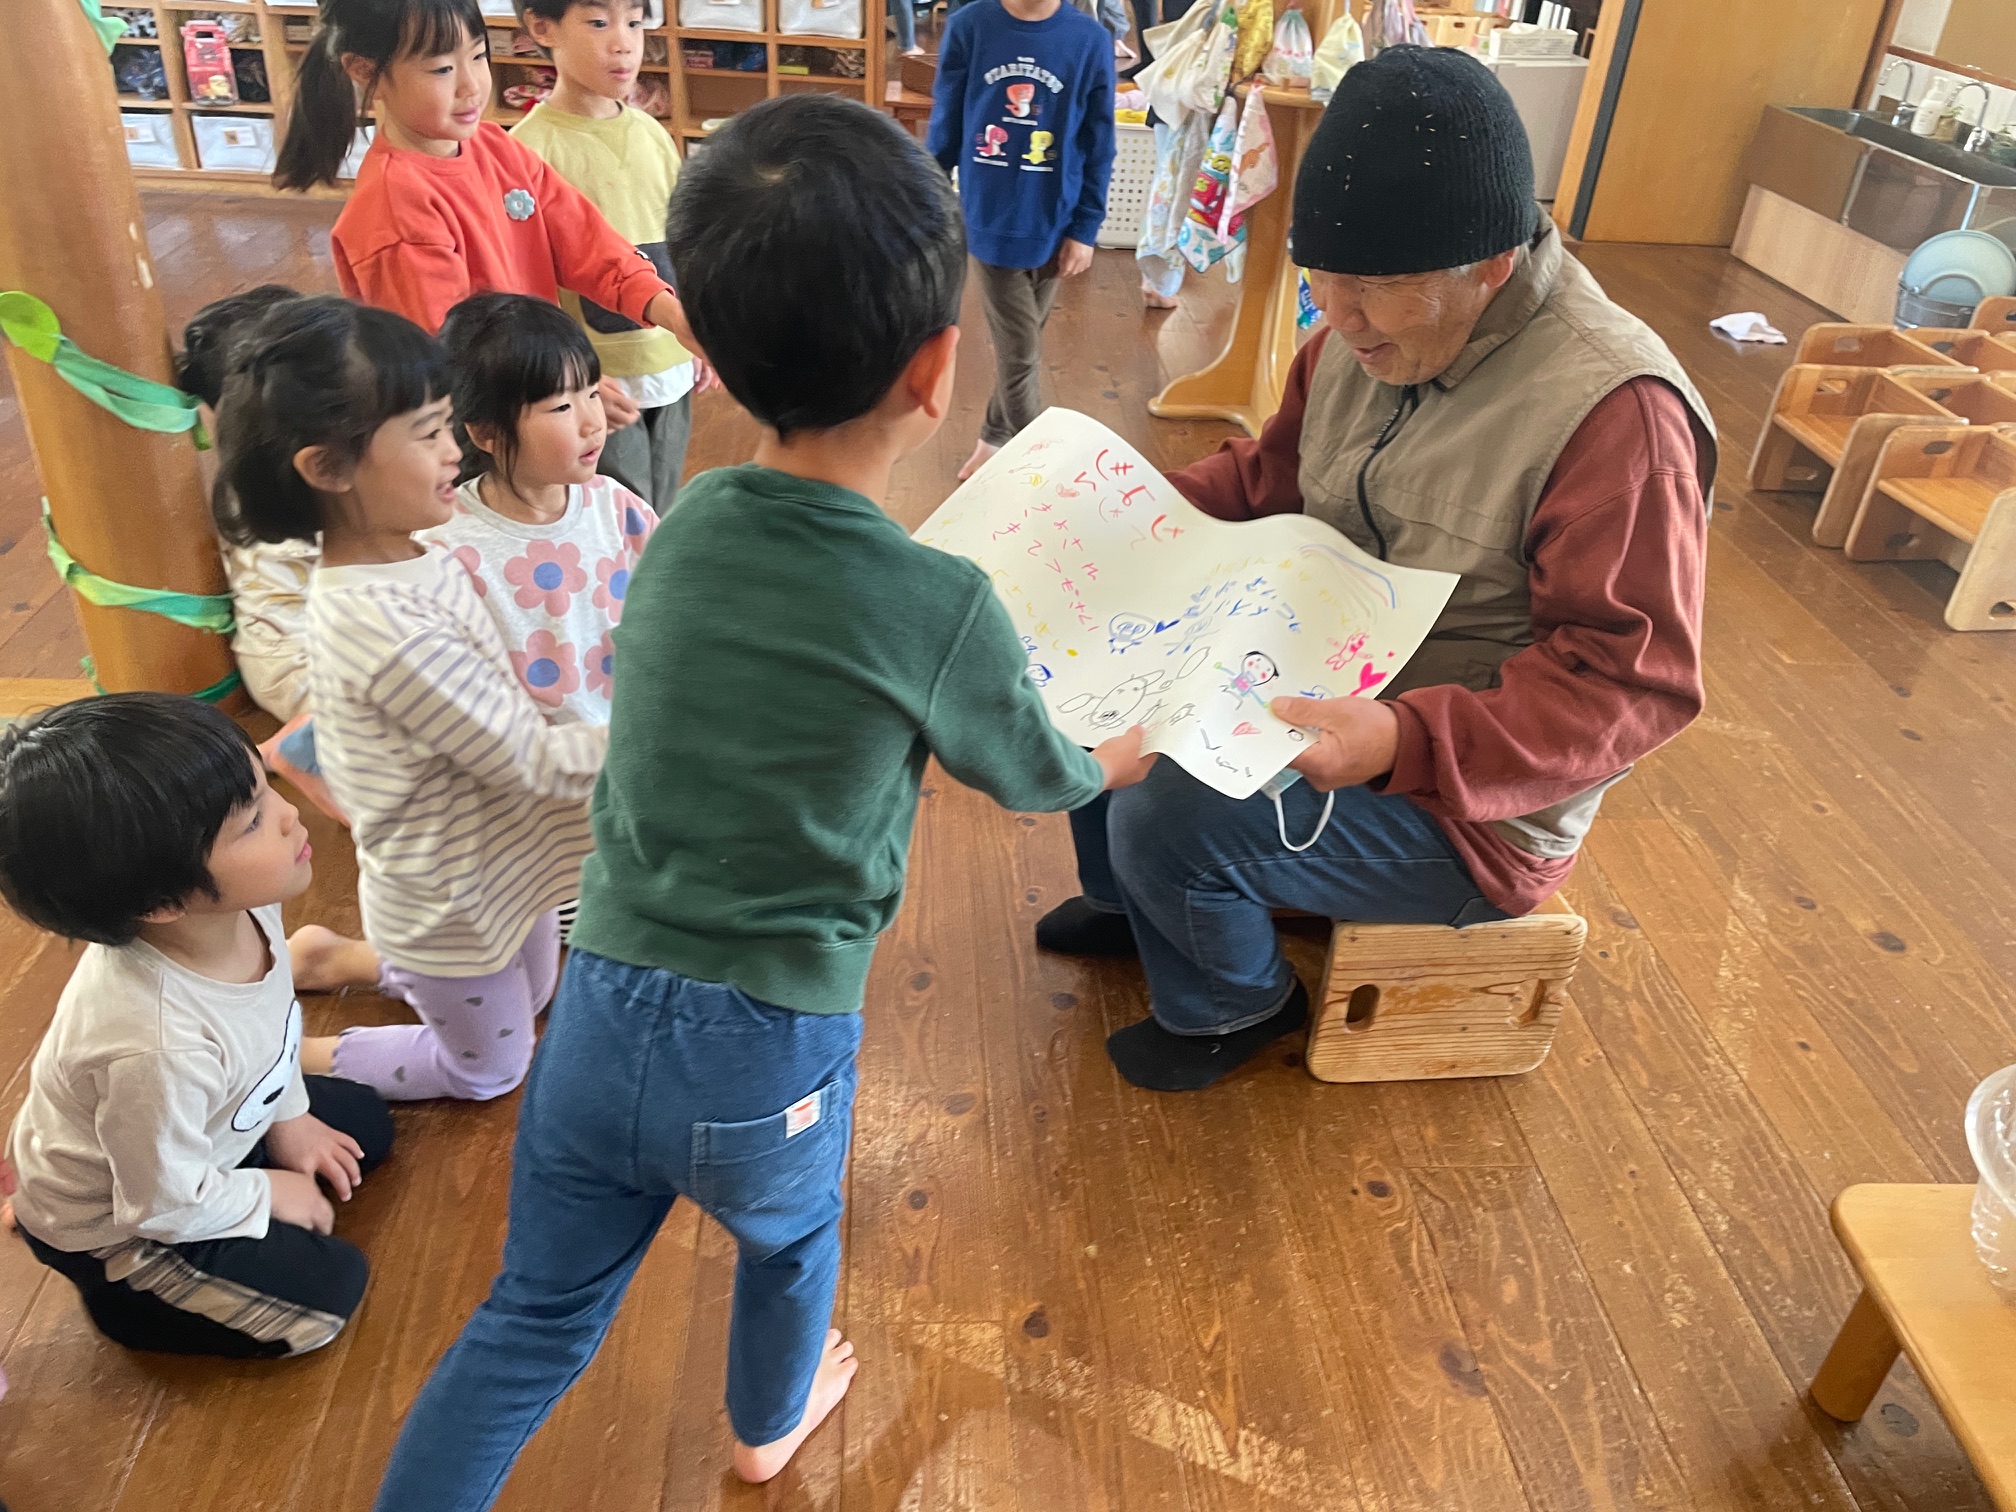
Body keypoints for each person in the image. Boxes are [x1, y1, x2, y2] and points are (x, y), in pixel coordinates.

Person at [370, 95, 1155, 1510]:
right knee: (789, 1246)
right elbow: (1037, 772)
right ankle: (767, 1428)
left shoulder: (678, 530)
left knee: (533, 1318)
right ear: (939, 370)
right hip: (769, 1046)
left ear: (714, 354)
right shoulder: (939, 599)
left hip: (599, 1013)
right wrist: (1130, 751)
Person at [1038, 46, 1717, 1091]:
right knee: (1098, 698)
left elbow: (1632, 689)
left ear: (1491, 265)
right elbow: (1270, 480)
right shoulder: (1353, 343)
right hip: (1323, 677)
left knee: (1165, 818)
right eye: (1324, 275)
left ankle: (1234, 1002)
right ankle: (1138, 905)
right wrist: (1116, 511)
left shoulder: (1617, 416)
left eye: (1375, 288)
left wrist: (1405, 739)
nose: (1338, 314)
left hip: (1473, 806)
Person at [210, 296, 606, 1103]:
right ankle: (285, 1064)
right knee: (491, 1069)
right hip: (450, 898)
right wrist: (677, 729)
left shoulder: (414, 549)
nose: (453, 448)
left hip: (507, 857)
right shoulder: (381, 627)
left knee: (535, 991)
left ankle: (338, 959)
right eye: (427, 433)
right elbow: (532, 761)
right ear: (330, 469)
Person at [0, 694, 394, 1358]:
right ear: (162, 902)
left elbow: (273, 1031)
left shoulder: (242, 908)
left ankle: (243, 1173)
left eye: (264, 789)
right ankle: (126, 1300)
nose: (290, 815)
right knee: (327, 1298)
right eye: (252, 822)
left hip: (188, 1143)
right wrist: (264, 1191)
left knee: (367, 1127)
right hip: (125, 1222)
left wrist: (290, 1118)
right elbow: (159, 1204)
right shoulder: (153, 1046)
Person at [272, 0, 692, 451]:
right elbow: (451, 352)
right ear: (364, 70)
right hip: (476, 432)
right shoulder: (394, 206)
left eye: (477, 56)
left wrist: (670, 311)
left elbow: (589, 244)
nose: (471, 86)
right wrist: (563, 384)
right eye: (441, 69)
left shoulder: (495, 147)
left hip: (534, 398)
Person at [417, 292, 657, 727]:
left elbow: (670, 603)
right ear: (487, 433)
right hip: (529, 757)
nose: (593, 422)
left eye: (591, 393)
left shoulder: (616, 505)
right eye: (562, 406)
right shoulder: (445, 549)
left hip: (628, 736)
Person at [511, 0, 709, 513]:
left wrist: (695, 337)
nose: (624, 43)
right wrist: (570, 375)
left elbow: (679, 240)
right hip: (595, 379)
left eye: (635, 23)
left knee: (661, 511)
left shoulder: (652, 133)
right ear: (542, 27)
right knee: (614, 515)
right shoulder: (526, 151)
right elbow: (523, 286)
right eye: (599, 23)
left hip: (669, 363)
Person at [928, 0, 1115, 480]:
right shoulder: (970, 26)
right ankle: (1040, 468)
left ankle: (993, 439)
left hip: (1055, 222)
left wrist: (1084, 228)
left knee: (1023, 348)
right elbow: (946, 126)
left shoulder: (1089, 39)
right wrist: (928, 206)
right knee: (1022, 353)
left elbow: (1099, 142)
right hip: (989, 221)